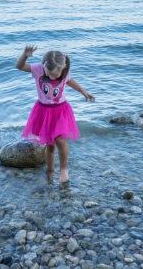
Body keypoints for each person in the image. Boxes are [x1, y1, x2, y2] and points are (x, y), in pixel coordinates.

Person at [16, 45, 94, 183]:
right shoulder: (38, 69)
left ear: (62, 69)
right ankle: (50, 170)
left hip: (60, 111)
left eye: (55, 75)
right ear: (44, 65)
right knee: (49, 144)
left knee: (60, 140)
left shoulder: (63, 71)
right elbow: (19, 66)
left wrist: (84, 92)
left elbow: (70, 82)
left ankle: (63, 169)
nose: (52, 77)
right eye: (49, 74)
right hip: (43, 111)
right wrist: (25, 55)